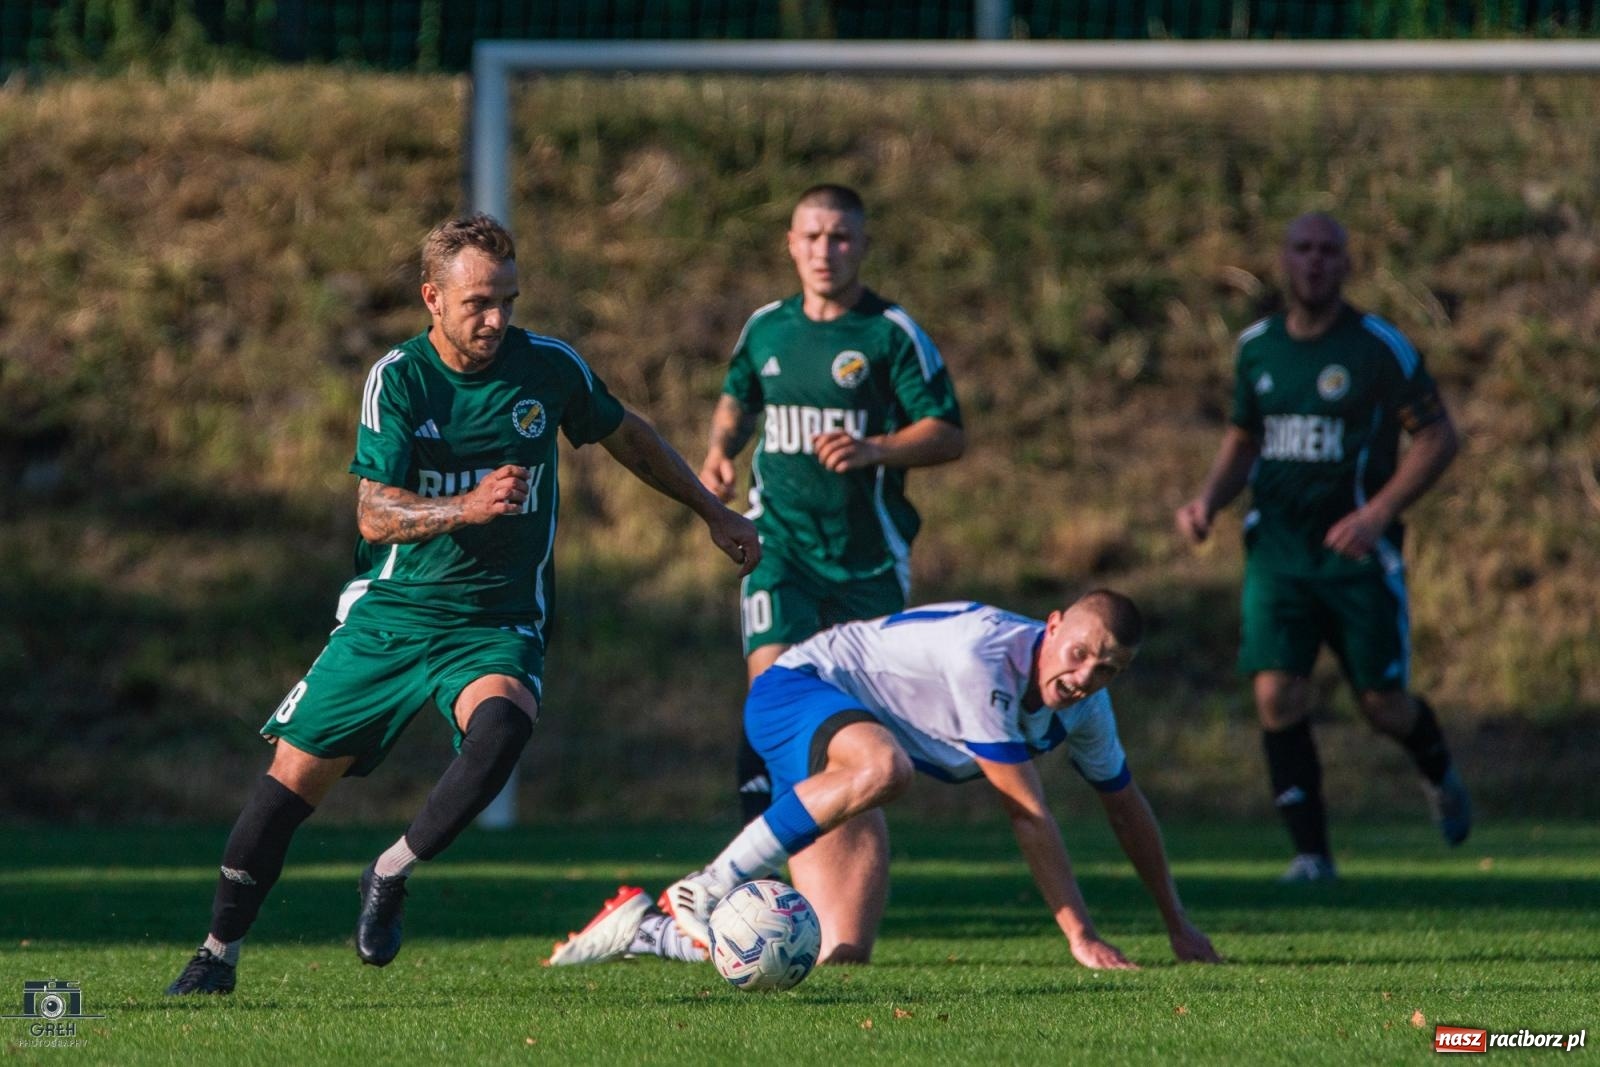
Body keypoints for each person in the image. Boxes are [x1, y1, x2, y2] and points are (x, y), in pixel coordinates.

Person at [165, 213, 761, 995]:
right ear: (432, 299)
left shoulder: (547, 367)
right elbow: (375, 514)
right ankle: (217, 952)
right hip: (392, 615)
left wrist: (712, 512)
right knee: (284, 789)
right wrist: (468, 506)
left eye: (508, 300)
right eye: (479, 302)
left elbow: (629, 437)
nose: (497, 319)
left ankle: (388, 870)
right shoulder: (400, 378)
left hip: (493, 618)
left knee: (505, 724)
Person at [547, 591, 1221, 970]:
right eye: (1078, 654)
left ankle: (642, 929)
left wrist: (1178, 924)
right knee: (884, 766)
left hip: (854, 745)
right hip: (797, 690)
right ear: (1051, 626)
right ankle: (709, 883)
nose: (1083, 678)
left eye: (1107, 670)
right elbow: (1027, 811)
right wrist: (1079, 934)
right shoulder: (983, 657)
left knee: (835, 956)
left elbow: (1126, 808)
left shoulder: (1086, 708)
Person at [693, 184, 965, 960]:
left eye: (840, 237)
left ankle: (842, 932)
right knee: (771, 693)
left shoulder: (889, 333)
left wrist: (879, 448)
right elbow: (737, 396)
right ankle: (757, 873)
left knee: (845, 745)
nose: (825, 250)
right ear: (790, 242)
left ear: (862, 245)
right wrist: (720, 449)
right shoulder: (766, 327)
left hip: (866, 565)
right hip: (776, 546)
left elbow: (949, 432)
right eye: (812, 235)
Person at [1175, 211, 1468, 883]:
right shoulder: (1257, 347)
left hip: (1358, 560)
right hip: (1278, 553)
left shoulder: (1377, 347)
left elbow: (1437, 436)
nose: (1314, 262)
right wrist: (1207, 502)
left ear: (1346, 263)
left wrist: (1378, 512)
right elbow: (1244, 438)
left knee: (1381, 705)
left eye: (1328, 251)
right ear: (1283, 259)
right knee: (1277, 694)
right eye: (1302, 249)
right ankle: (1311, 854)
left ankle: (1437, 769)